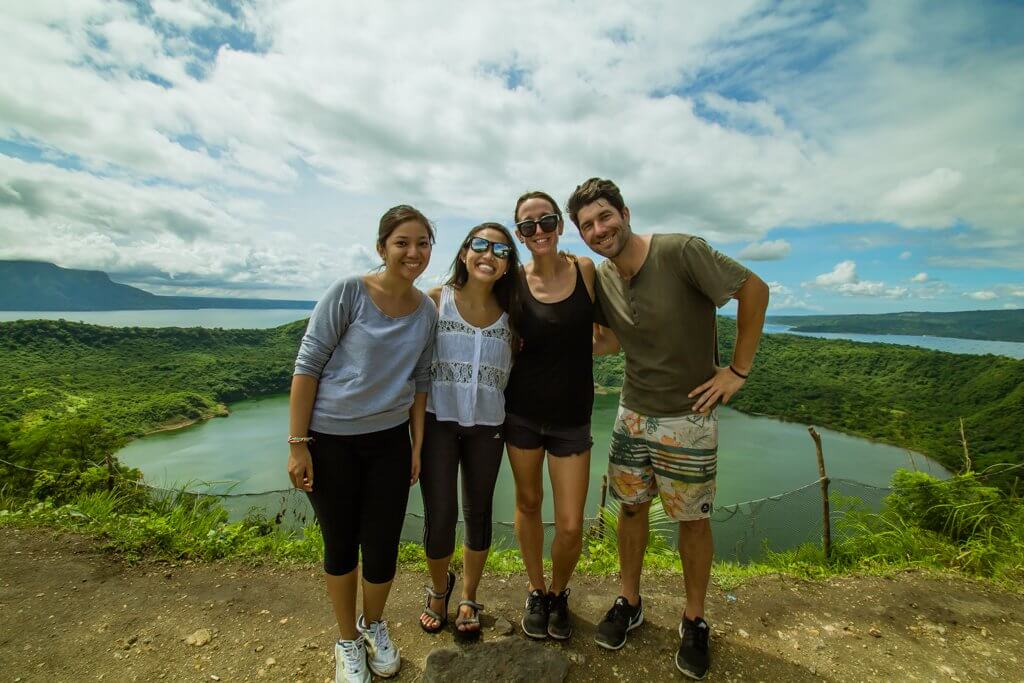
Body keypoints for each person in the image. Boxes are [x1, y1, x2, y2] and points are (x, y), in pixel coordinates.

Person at [571, 178, 769, 680]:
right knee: (632, 510)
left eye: (604, 217)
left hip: (690, 417)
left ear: (625, 212)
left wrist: (737, 371)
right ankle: (630, 601)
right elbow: (612, 343)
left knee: (692, 520)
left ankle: (695, 618)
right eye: (587, 225)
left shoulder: (681, 251)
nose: (599, 230)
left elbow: (754, 289)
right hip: (633, 412)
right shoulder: (607, 277)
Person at [287, 205, 437, 683]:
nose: (413, 253)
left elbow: (419, 379)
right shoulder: (349, 292)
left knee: (382, 545)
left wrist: (415, 446)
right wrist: (298, 444)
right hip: (330, 441)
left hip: (390, 443)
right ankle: (347, 639)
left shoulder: (426, 310)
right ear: (382, 248)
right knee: (340, 544)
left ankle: (374, 625)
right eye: (402, 243)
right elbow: (308, 364)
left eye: (422, 244)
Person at [503, 190, 605, 640]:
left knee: (569, 523)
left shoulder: (585, 270)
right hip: (521, 413)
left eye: (546, 222)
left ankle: (560, 592)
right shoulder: (513, 281)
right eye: (528, 226)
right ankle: (537, 590)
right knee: (527, 504)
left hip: (571, 418)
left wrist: (570, 349)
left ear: (560, 224)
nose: (539, 231)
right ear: (520, 235)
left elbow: (607, 338)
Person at [417, 222, 521, 638]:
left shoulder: (514, 315)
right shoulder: (435, 302)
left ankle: (469, 595)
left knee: (478, 514)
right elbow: (414, 367)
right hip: (438, 422)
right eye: (480, 244)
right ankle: (439, 590)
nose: (488, 254)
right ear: (464, 253)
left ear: (508, 265)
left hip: (488, 425)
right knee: (440, 516)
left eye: (500, 250)